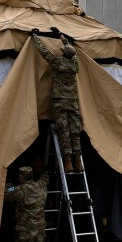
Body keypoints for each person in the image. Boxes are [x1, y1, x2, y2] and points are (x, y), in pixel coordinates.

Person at [32, 30, 83, 172]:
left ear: (62, 53)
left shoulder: (57, 62)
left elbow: (43, 51)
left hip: (59, 101)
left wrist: (35, 37)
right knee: (75, 131)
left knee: (64, 131)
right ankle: (78, 161)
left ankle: (68, 163)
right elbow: (72, 52)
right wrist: (62, 36)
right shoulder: (74, 64)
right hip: (73, 101)